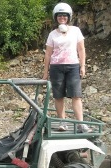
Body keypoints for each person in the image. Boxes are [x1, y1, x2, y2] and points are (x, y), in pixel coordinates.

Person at [42, 2, 92, 133]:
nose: (62, 18)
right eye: (59, 16)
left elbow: (81, 50)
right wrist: (45, 72)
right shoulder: (52, 34)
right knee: (58, 96)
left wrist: (83, 66)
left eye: (64, 16)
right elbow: (48, 54)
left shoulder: (75, 31)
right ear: (56, 17)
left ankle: (81, 124)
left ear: (69, 17)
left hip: (73, 66)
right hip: (56, 67)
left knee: (76, 95)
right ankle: (62, 122)